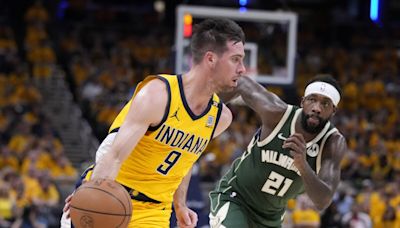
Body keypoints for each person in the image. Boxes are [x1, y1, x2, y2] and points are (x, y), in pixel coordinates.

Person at [60, 18, 246, 228]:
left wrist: (180, 204)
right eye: (236, 59)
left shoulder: (221, 118)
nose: (242, 69)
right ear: (210, 59)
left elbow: (184, 161)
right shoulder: (158, 94)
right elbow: (113, 155)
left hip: (155, 212)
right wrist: (94, 196)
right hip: (112, 197)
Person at [209, 74, 348, 227]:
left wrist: (302, 164)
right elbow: (241, 83)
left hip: (271, 216)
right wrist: (205, 112)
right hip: (236, 198)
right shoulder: (277, 113)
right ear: (303, 102)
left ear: (333, 111)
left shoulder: (333, 143)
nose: (316, 108)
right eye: (312, 99)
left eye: (325, 104)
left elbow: (323, 201)